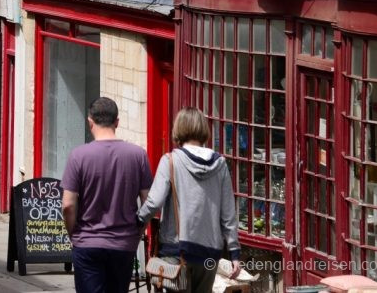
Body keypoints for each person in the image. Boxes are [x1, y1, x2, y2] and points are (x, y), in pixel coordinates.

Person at [138, 108, 242, 293]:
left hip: (177, 251)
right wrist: (234, 253)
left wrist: (136, 222)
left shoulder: (171, 160)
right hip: (209, 254)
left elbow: (154, 203)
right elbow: (228, 214)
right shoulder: (220, 164)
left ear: (178, 129)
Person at [61, 97, 153, 293]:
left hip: (87, 241)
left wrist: (73, 233)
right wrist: (138, 230)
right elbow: (149, 203)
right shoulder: (138, 155)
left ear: (90, 121)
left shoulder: (78, 156)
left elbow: (68, 205)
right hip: (123, 243)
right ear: (117, 122)